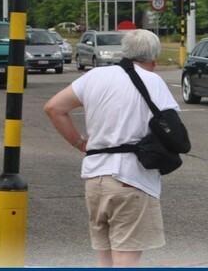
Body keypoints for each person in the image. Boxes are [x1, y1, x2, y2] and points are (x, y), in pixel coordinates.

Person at [44, 29, 180, 267]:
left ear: (124, 51)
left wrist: (80, 143)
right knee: (126, 257)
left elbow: (54, 108)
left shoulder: (95, 76)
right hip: (132, 179)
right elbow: (174, 132)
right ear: (153, 59)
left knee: (105, 256)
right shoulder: (153, 81)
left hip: (95, 177)